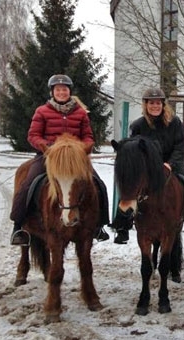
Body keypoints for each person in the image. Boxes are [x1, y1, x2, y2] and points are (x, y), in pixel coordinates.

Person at [9, 74, 110, 245]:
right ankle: (18, 226)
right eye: (58, 90)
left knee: (98, 184)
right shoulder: (42, 111)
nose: (61, 92)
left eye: (64, 89)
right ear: (52, 92)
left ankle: (99, 225)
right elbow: (33, 135)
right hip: (49, 156)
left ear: (69, 91)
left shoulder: (80, 113)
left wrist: (83, 147)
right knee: (28, 184)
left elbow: (88, 136)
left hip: (75, 158)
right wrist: (47, 147)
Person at [112, 88, 184, 244]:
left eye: (158, 103)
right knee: (130, 186)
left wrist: (170, 164)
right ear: (145, 105)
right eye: (151, 103)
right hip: (148, 167)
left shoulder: (175, 122)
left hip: (173, 163)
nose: (155, 106)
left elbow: (180, 147)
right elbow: (133, 150)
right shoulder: (138, 125)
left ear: (163, 104)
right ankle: (122, 227)